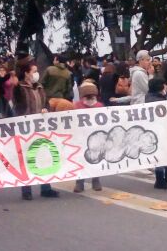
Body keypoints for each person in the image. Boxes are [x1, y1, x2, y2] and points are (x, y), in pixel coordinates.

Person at [13, 58, 61, 199]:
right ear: (26, 73)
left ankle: (46, 188)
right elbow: (18, 107)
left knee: (44, 156)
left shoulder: (39, 87)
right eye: (34, 71)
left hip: (41, 127)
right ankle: (26, 190)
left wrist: (46, 108)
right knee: (27, 158)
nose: (36, 74)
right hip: (26, 128)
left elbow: (45, 102)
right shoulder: (20, 88)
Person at [72, 82, 105, 192]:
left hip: (96, 138)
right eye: (88, 95)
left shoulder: (99, 106)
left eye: (92, 95)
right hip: (80, 137)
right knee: (80, 159)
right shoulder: (76, 106)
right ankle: (79, 182)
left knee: (96, 159)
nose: (90, 98)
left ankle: (96, 180)